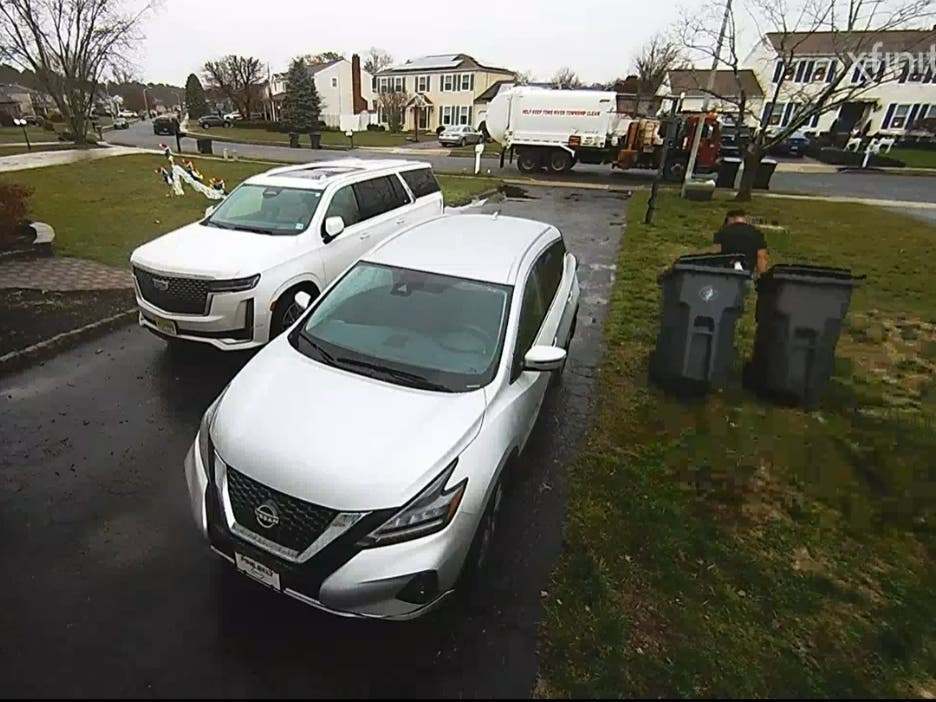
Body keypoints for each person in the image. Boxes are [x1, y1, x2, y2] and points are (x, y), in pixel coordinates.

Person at [712, 209, 768, 274]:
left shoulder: (722, 232)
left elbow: (715, 255)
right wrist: (762, 275)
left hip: (726, 275)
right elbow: (761, 256)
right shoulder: (756, 233)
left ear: (729, 220)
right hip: (747, 274)